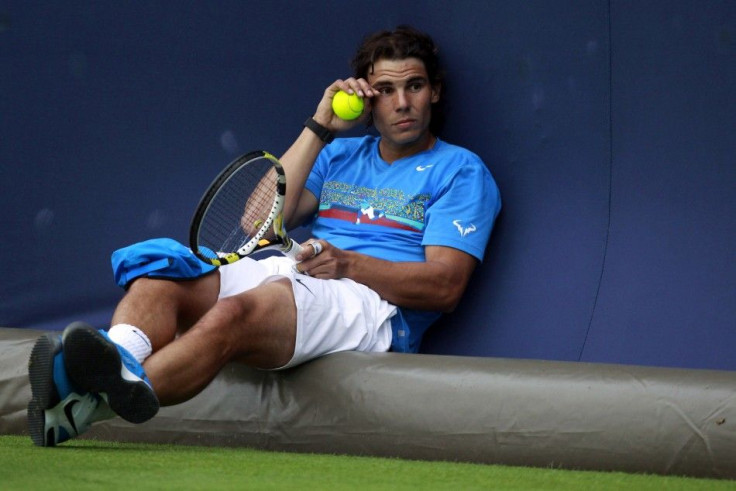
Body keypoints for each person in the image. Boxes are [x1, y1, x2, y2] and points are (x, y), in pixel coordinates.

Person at [27, 25, 501, 446]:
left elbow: (445, 287)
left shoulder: (461, 171)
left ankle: (88, 401)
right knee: (159, 279)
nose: (402, 103)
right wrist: (320, 127)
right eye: (386, 89)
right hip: (301, 273)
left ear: (434, 92)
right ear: (367, 97)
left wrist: (348, 264)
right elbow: (257, 223)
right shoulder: (339, 154)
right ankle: (107, 370)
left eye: (414, 86)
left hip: (374, 311)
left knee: (239, 310)